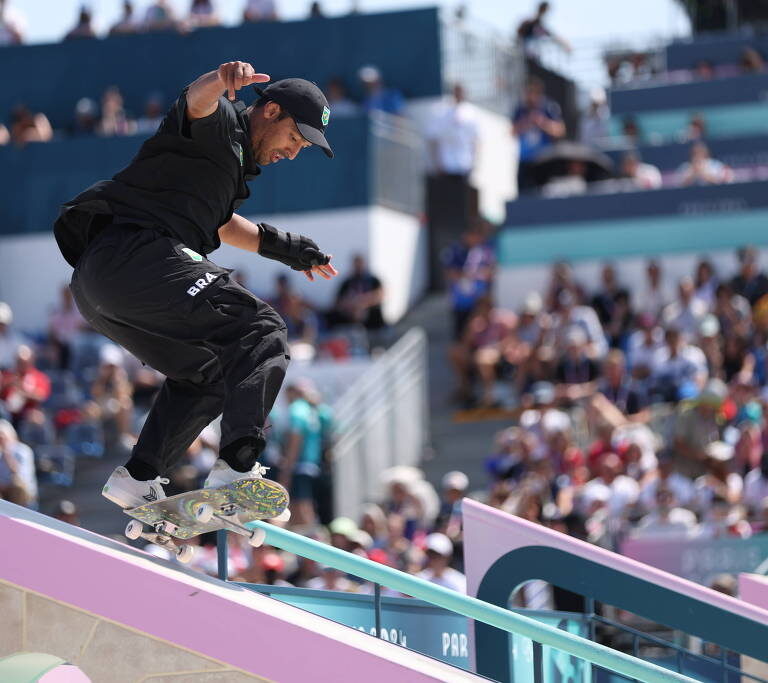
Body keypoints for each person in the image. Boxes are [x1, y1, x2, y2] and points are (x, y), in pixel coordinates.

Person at [53, 62, 338, 510]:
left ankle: (140, 476)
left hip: (101, 289)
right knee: (262, 329)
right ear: (270, 111)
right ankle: (237, 466)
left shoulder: (228, 171)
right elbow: (197, 102)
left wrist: (288, 248)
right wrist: (221, 81)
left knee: (209, 374)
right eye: (293, 139)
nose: (292, 152)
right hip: (134, 257)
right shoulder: (221, 124)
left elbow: (222, 224)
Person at [512, 77, 565, 193]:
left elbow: (560, 130)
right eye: (528, 92)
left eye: (533, 92)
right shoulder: (520, 109)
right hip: (525, 161)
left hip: (544, 161)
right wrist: (527, 122)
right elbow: (512, 131)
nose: (530, 96)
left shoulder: (549, 107)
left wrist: (542, 122)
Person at [329, 254, 386, 344]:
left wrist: (362, 302)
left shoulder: (373, 280)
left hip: (372, 321)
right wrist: (352, 305)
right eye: (356, 264)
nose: (358, 266)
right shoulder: (347, 282)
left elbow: (380, 295)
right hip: (350, 320)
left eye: (360, 263)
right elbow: (338, 301)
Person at [426, 84, 478, 179]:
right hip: (446, 165)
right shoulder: (442, 112)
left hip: (464, 164)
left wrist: (474, 162)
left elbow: (475, 140)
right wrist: (437, 163)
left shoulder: (470, 113)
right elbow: (433, 139)